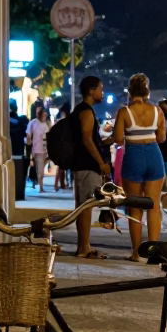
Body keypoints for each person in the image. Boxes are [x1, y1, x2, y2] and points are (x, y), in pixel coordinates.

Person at [112, 73, 166, 260]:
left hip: (133, 155)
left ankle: (136, 253)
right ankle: (154, 251)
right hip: (153, 154)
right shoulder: (157, 111)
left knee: (135, 207)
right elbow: (162, 138)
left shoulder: (124, 112)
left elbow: (118, 139)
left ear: (130, 91)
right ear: (147, 92)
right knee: (153, 206)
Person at [71, 76, 111, 259]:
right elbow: (87, 139)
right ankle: (84, 247)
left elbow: (89, 139)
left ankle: (83, 246)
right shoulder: (86, 112)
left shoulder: (82, 111)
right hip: (87, 166)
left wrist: (107, 141)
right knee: (85, 207)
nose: (102, 92)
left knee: (83, 207)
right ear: (91, 91)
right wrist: (101, 163)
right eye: (100, 89)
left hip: (83, 165)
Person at [9, 98, 29, 201]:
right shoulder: (21, 121)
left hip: (11, 151)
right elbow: (25, 133)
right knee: (20, 175)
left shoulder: (5, 122)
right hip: (19, 152)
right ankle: (19, 194)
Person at [26, 106, 50, 194]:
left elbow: (47, 135)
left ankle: (38, 183)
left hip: (45, 150)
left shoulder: (45, 124)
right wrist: (29, 144)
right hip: (37, 150)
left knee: (41, 169)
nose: (45, 117)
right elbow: (28, 134)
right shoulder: (33, 123)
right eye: (44, 115)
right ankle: (41, 187)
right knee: (40, 170)